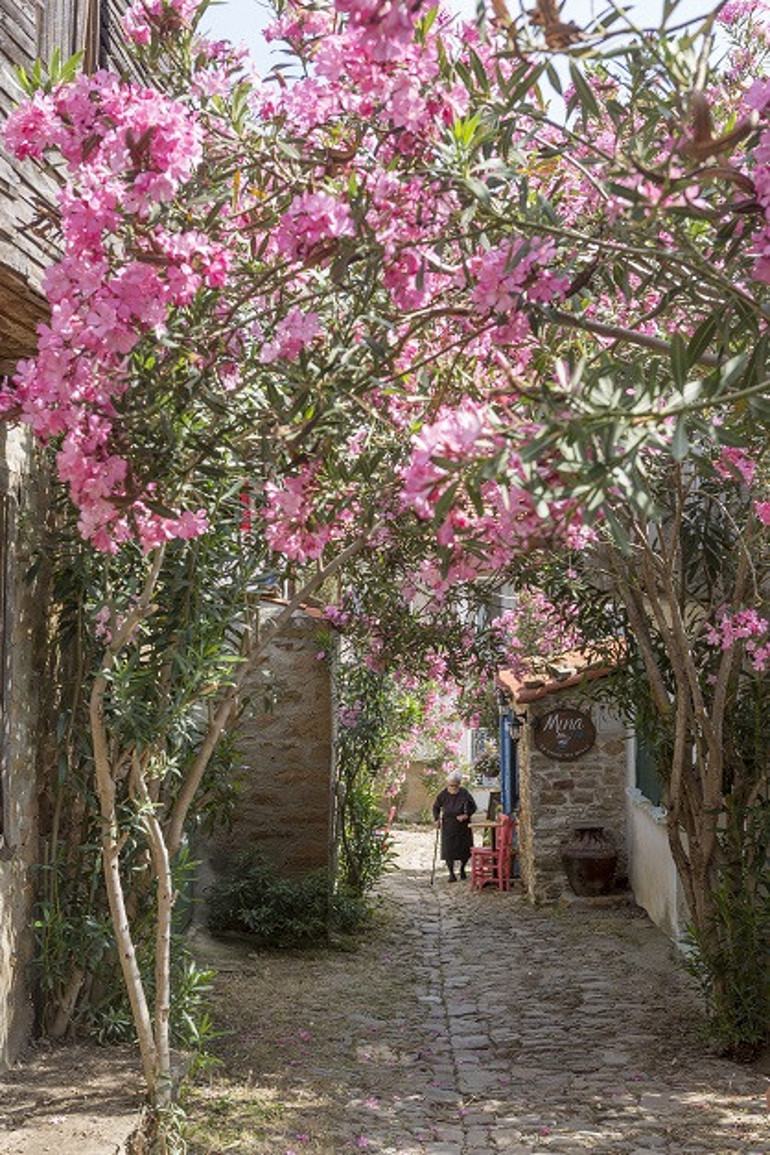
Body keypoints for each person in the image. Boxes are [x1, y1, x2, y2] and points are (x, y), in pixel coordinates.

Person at [432, 770, 477, 882]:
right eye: (451, 785)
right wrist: (437, 819)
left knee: (465, 850)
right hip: (448, 825)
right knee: (448, 850)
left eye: (455, 785)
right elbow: (436, 807)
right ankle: (451, 873)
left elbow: (473, 806)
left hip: (462, 826)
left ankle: (462, 869)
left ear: (459, 784)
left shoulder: (464, 793)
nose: (453, 788)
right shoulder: (443, 794)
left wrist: (466, 815)